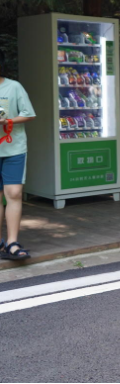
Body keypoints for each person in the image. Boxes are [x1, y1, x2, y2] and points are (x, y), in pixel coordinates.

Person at [0, 49, 36, 261]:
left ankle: (12, 243)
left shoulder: (14, 87)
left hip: (13, 149)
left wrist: (9, 121)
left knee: (13, 193)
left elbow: (29, 114)